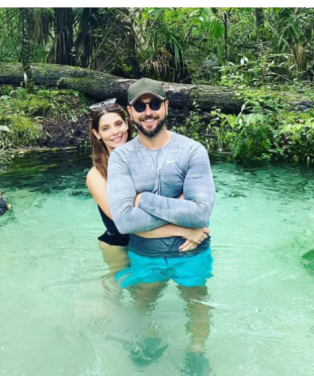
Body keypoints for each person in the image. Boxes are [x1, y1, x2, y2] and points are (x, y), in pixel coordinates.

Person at [106, 78, 216, 375]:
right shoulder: (121, 157)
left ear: (166, 107)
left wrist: (143, 199)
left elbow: (202, 212)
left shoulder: (192, 151)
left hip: (192, 251)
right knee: (142, 298)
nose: (148, 111)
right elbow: (125, 221)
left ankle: (196, 351)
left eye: (154, 104)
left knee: (196, 299)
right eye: (140, 106)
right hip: (146, 252)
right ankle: (150, 338)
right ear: (130, 113)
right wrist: (183, 217)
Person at [84, 102, 210, 303]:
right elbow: (124, 223)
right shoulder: (96, 175)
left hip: (148, 243)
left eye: (118, 124)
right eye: (106, 128)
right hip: (119, 244)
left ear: (127, 123)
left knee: (155, 294)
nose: (115, 132)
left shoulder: (142, 155)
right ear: (97, 134)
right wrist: (183, 230)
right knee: (130, 297)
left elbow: (177, 197)